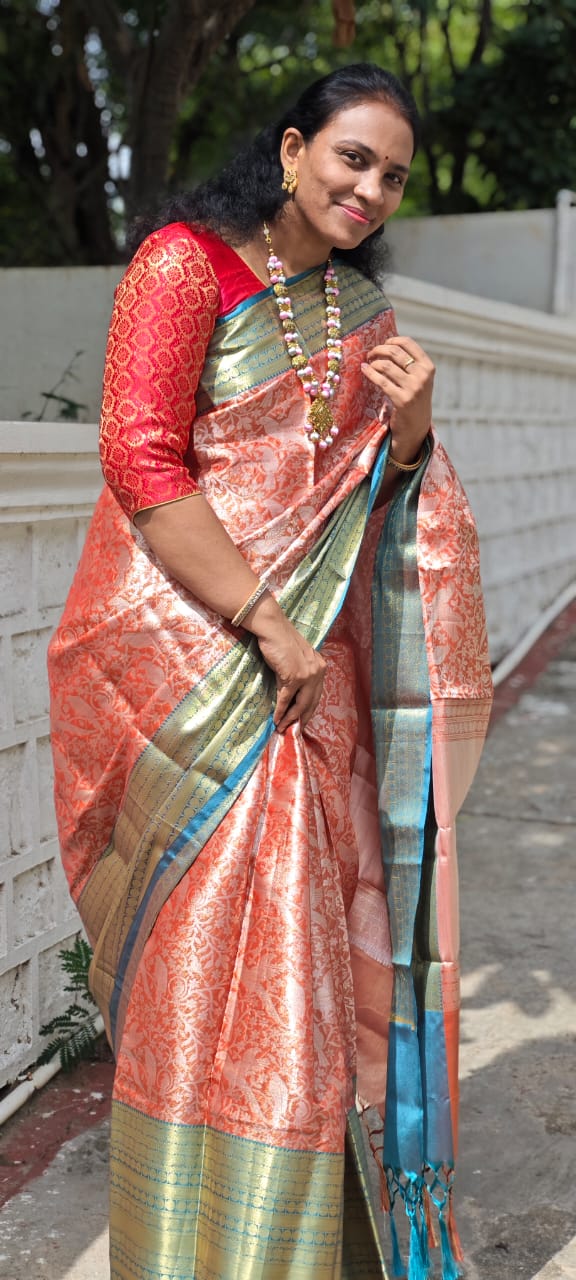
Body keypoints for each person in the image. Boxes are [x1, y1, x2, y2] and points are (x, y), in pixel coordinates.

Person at [48, 63, 493, 1280]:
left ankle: (282, 1251)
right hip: (195, 683)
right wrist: (270, 628)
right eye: (354, 158)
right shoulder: (183, 265)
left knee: (290, 990)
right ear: (294, 150)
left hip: (306, 704)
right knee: (196, 987)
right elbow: (141, 462)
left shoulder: (367, 322)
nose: (372, 189)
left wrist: (409, 439)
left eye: (394, 176)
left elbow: (381, 520)